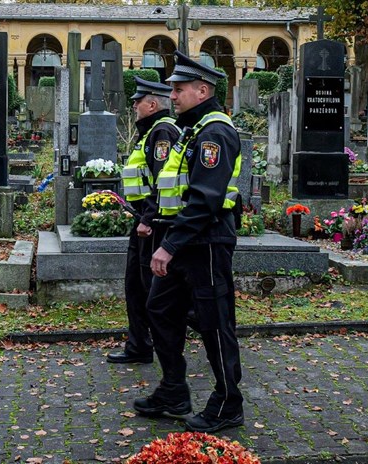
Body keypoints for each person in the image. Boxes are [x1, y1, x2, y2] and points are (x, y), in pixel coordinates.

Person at [133, 51, 244, 433]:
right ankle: (174, 390)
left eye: (178, 90)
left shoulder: (215, 132)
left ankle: (228, 403)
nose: (172, 96)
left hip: (205, 243)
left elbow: (205, 200)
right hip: (182, 241)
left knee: (215, 325)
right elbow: (170, 189)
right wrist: (156, 226)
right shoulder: (191, 130)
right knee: (160, 310)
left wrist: (169, 246)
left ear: (202, 90)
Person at [107, 77, 181, 364]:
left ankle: (183, 340)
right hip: (143, 222)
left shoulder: (162, 132)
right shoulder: (150, 131)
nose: (134, 105)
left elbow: (164, 180)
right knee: (135, 287)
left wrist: (148, 217)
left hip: (152, 226)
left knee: (151, 289)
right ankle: (139, 345)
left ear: (152, 104)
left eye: (139, 101)